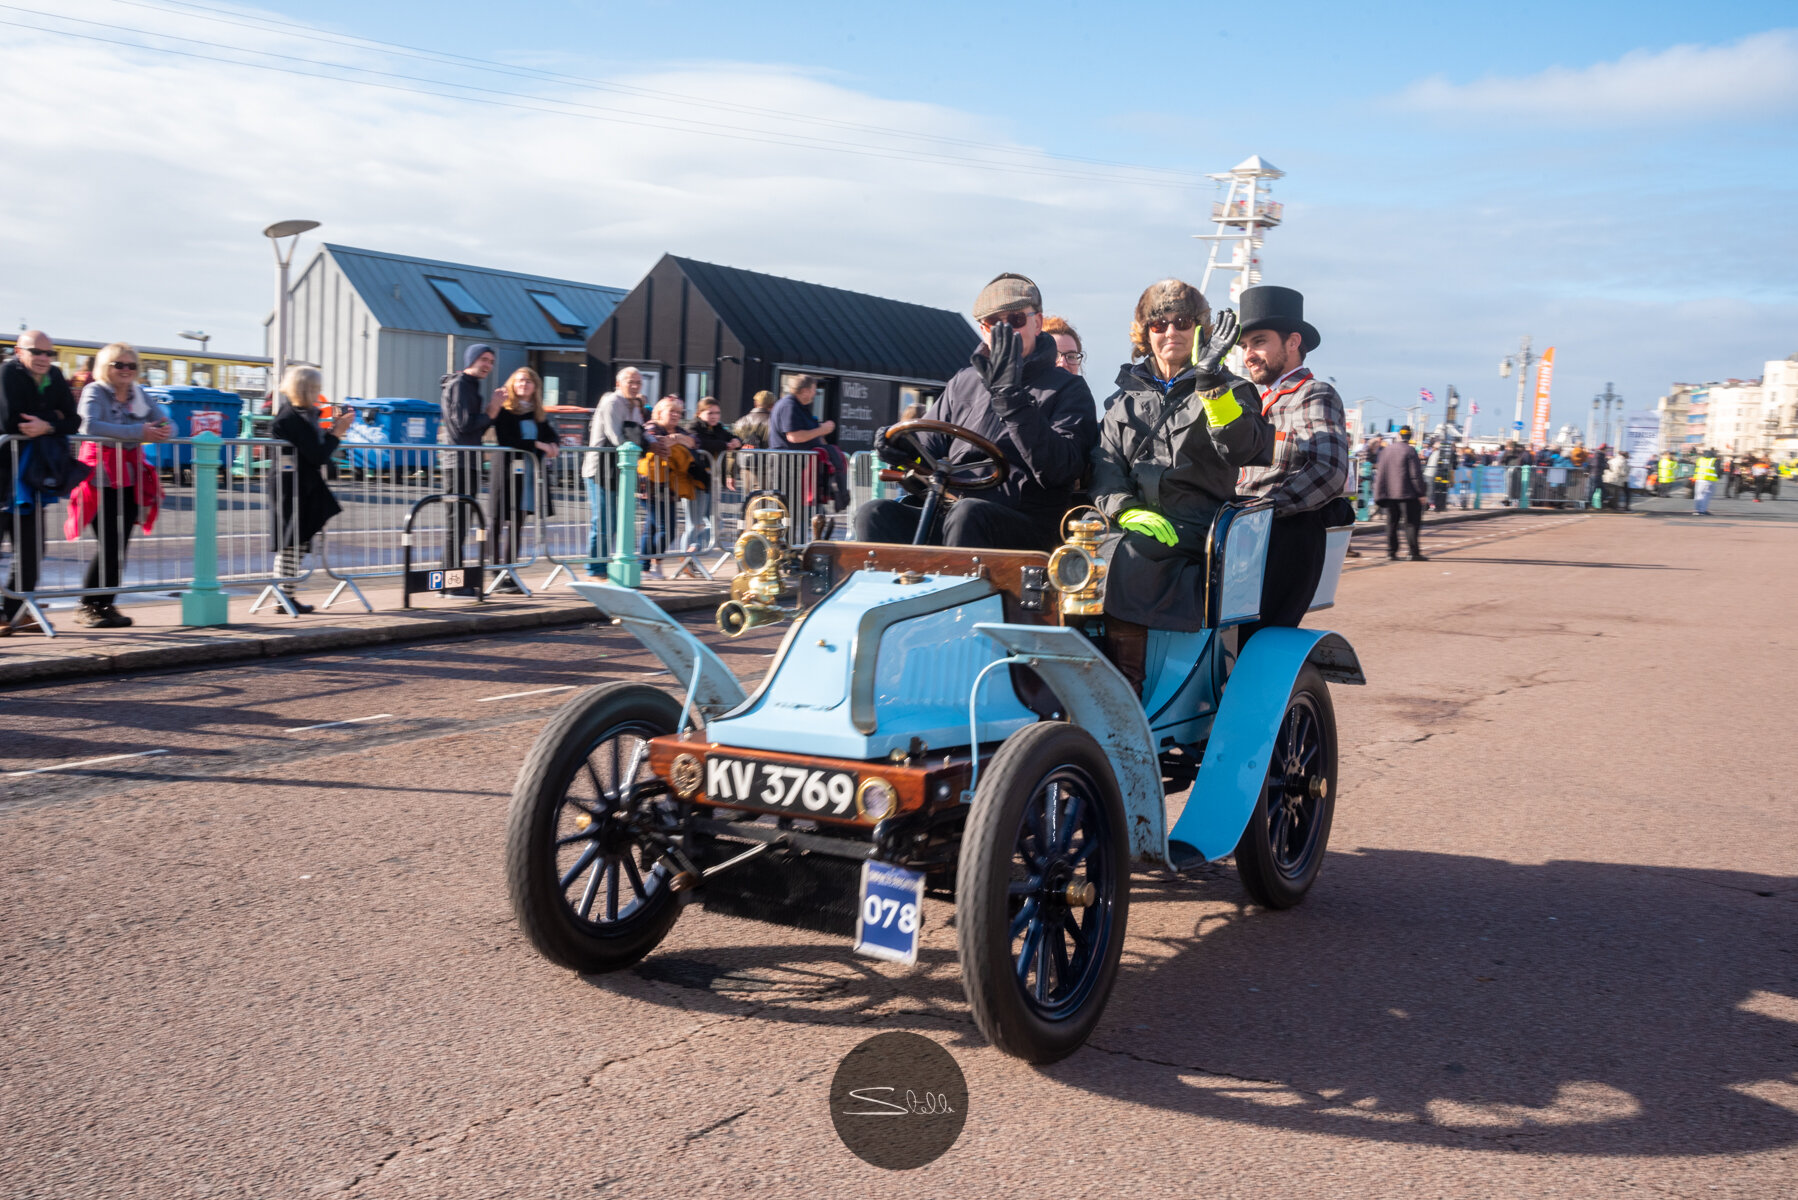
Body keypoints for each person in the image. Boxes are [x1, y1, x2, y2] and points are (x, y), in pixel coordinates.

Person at [1087, 279, 1271, 690]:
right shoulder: (1123, 401)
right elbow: (1105, 467)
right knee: (1067, 559)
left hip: (1197, 527)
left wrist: (1209, 382)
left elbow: (1240, 446)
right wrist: (1124, 508)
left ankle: (1128, 691)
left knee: (1127, 554)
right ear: (1144, 333)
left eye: (1183, 322)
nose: (1171, 332)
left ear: (1201, 329)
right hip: (1133, 522)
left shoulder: (1233, 389)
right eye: (1159, 323)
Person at [855, 273, 1097, 550]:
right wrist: (897, 444)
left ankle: (958, 593)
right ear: (984, 330)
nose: (1007, 331)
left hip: (1025, 522)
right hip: (950, 508)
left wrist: (1012, 400)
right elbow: (927, 445)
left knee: (968, 514)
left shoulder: (1068, 389)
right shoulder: (965, 381)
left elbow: (1060, 469)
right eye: (995, 323)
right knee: (874, 514)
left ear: (1037, 323)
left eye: (1016, 320)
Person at [1233, 285, 1351, 628]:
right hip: (1241, 541)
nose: (1248, 355)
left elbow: (1329, 470)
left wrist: (1262, 511)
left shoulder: (1314, 394)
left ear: (1293, 342)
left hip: (1283, 543)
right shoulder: (1249, 400)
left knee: (1256, 642)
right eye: (1244, 346)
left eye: (1258, 342)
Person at [67, 343, 171, 627]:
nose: (126, 370)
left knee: (119, 545)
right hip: (98, 475)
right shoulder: (95, 391)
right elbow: (89, 426)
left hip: (129, 476)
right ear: (106, 366)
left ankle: (106, 604)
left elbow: (167, 422)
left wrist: (163, 429)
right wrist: (139, 432)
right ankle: (87, 604)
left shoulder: (139, 394)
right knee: (109, 543)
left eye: (131, 366)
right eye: (119, 365)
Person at [1, 331, 82, 635]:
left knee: (32, 549)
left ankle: (13, 612)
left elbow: (73, 421)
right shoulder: (7, 373)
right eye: (36, 352)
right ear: (19, 351)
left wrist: (46, 424)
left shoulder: (55, 374)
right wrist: (53, 418)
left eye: (50, 353)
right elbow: (12, 422)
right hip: (4, 473)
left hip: (34, 476)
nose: (44, 358)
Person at [270, 365, 351, 613]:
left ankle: (286, 595)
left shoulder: (298, 414)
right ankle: (284, 597)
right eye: (316, 388)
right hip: (293, 488)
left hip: (299, 486)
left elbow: (313, 448)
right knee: (292, 542)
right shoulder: (291, 417)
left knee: (297, 542)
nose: (319, 393)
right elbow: (316, 454)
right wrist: (337, 433)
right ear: (306, 389)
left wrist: (332, 431)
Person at [490, 366, 559, 593]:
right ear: (512, 383)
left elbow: (550, 434)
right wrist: (537, 445)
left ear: (535, 387)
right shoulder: (506, 410)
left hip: (527, 474)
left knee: (517, 522)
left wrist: (553, 444)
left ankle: (509, 571)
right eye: (519, 381)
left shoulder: (537, 412)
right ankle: (495, 570)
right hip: (506, 471)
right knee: (498, 521)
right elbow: (507, 439)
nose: (523, 385)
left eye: (528, 381)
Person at [438, 343, 500, 594]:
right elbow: (464, 425)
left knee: (460, 525)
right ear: (471, 360)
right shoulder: (460, 385)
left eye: (491, 361)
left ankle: (448, 584)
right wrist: (492, 411)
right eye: (484, 359)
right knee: (457, 525)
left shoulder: (470, 387)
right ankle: (452, 585)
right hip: (459, 464)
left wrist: (488, 414)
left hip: (468, 462)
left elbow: (474, 428)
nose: (487, 365)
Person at [582, 367, 647, 575]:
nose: (635, 386)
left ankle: (607, 566)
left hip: (620, 470)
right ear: (619, 383)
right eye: (630, 381)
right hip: (600, 469)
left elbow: (641, 432)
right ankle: (595, 569)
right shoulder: (611, 402)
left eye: (638, 382)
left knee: (617, 521)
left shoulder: (634, 406)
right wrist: (643, 448)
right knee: (602, 520)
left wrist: (656, 443)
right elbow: (617, 437)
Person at [769, 375, 849, 512]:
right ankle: (790, 533)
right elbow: (794, 436)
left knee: (807, 511)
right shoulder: (789, 406)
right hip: (789, 467)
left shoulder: (799, 406)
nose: (815, 394)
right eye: (813, 390)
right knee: (792, 509)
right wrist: (821, 430)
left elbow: (808, 432)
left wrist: (820, 433)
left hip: (800, 467)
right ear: (805, 390)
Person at [637, 397, 695, 578]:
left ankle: (646, 566)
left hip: (670, 484)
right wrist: (679, 441)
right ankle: (650, 563)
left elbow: (694, 442)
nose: (676, 415)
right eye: (672, 411)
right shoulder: (651, 426)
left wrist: (677, 438)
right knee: (666, 529)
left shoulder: (678, 431)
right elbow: (655, 442)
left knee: (653, 527)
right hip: (650, 484)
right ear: (660, 412)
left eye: (679, 412)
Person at [683, 397, 739, 554]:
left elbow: (731, 437)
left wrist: (736, 442)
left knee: (715, 524)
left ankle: (694, 551)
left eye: (717, 413)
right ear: (699, 413)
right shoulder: (693, 426)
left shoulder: (719, 428)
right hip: (696, 479)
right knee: (693, 524)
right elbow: (699, 442)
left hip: (712, 482)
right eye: (710, 413)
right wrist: (725, 445)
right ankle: (687, 556)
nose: (714, 416)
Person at [1374, 425, 1427, 560]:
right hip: (1407, 494)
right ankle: (1413, 552)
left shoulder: (1387, 450)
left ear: (1399, 435)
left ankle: (1391, 552)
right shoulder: (1410, 451)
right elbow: (1415, 475)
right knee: (1411, 523)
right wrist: (1421, 493)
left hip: (1390, 494)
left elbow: (1381, 472)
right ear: (1410, 436)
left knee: (1391, 523)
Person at [1692, 448, 1718, 515]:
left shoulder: (1699, 460)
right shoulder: (1713, 460)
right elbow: (1717, 471)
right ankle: (1702, 510)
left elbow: (1695, 468)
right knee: (1706, 495)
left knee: (1698, 494)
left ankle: (1697, 510)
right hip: (1708, 480)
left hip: (1699, 479)